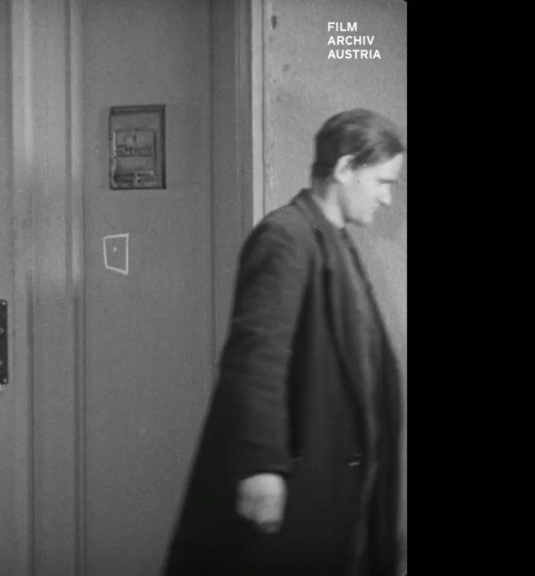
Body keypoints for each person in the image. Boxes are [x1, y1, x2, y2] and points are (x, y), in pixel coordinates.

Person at [164, 109, 405, 576]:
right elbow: (257, 355)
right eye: (382, 182)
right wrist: (261, 466)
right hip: (293, 487)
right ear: (345, 168)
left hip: (330, 489)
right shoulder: (287, 237)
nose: (388, 198)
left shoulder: (333, 242)